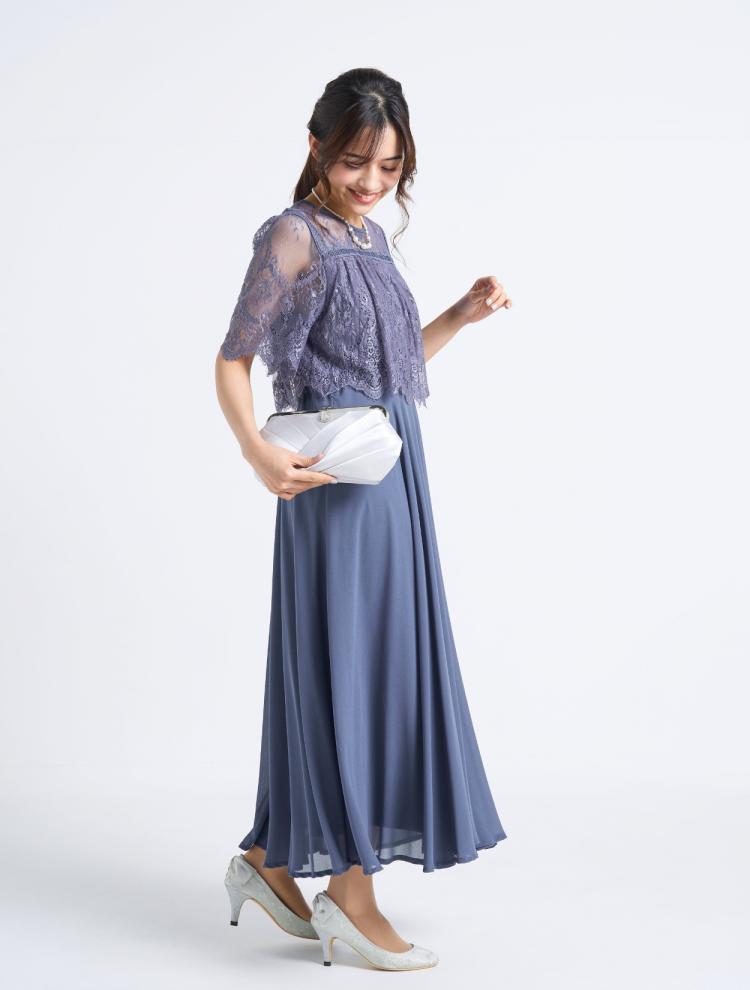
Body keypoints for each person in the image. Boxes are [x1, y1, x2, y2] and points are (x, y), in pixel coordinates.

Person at [215, 67, 512, 971]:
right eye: (355, 162)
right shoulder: (292, 235)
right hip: (331, 479)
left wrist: (459, 314)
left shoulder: (373, 240)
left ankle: (270, 862)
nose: (373, 182)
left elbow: (388, 371)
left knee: (377, 659)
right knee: (353, 665)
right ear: (315, 148)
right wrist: (256, 451)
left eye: (390, 166)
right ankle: (350, 897)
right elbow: (233, 360)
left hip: (391, 463)